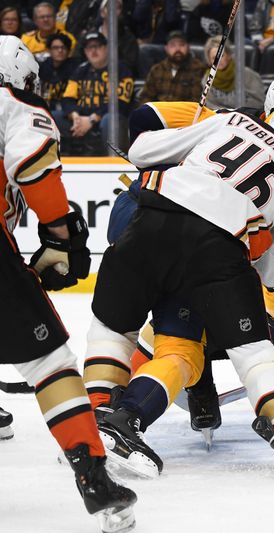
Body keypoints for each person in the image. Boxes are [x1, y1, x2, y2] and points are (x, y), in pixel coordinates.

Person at [88, 100, 274, 481]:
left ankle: (101, 418)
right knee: (254, 352)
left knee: (115, 331)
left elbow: (142, 150)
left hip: (149, 219)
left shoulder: (230, 121)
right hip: (214, 252)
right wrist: (256, 244)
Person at [0, 35, 136, 531]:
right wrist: (62, 232)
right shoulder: (13, 102)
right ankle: (94, 477)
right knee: (50, 363)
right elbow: (35, 168)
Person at [59, 32, 135, 155]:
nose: (93, 51)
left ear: (106, 48)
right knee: (52, 117)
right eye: (89, 47)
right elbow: (67, 98)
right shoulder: (80, 70)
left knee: (109, 120)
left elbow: (120, 103)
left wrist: (92, 119)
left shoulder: (121, 70)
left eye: (97, 46)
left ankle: (112, 160)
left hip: (106, 118)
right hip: (81, 118)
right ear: (84, 51)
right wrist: (75, 116)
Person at [137, 29, 206, 105]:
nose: (177, 49)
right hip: (159, 112)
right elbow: (146, 96)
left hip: (183, 113)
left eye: (181, 45)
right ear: (166, 48)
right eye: (173, 45)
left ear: (188, 47)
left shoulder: (198, 69)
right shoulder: (157, 69)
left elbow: (196, 101)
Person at [201, 34, 265, 110]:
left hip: (245, 115)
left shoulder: (246, 74)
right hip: (220, 117)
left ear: (229, 55)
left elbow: (259, 101)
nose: (218, 61)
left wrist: (237, 111)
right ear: (209, 61)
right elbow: (210, 105)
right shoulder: (208, 78)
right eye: (214, 58)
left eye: (221, 56)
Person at [38, 32, 80, 113]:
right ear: (49, 50)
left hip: (66, 110)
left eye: (63, 47)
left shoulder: (76, 68)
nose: (60, 50)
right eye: (55, 48)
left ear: (69, 51)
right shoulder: (42, 67)